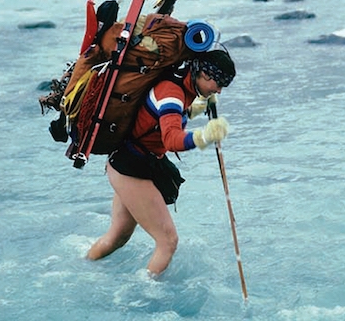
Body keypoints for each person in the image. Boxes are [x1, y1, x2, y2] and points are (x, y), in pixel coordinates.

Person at [86, 48, 236, 276]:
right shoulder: (172, 94)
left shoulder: (183, 84)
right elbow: (171, 139)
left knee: (118, 236)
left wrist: (197, 108)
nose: (220, 91)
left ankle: (83, 265)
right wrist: (204, 136)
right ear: (205, 74)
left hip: (130, 161)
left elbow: (158, 115)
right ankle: (145, 296)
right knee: (168, 241)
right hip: (130, 168)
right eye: (219, 84)